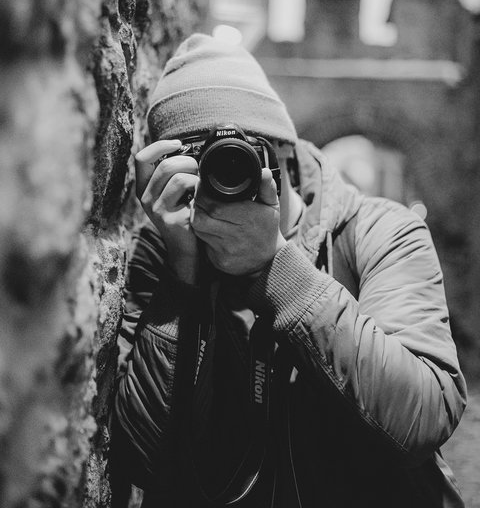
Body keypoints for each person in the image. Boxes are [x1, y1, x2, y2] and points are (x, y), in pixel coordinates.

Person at [111, 33, 467, 508]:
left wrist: (278, 269)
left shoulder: (382, 231)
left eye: (240, 152)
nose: (223, 174)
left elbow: (424, 416)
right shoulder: (166, 249)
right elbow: (143, 461)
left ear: (284, 151)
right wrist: (181, 280)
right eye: (199, 160)